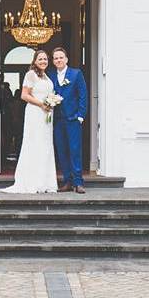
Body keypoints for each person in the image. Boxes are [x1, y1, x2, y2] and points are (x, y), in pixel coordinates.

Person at [0, 50, 57, 193]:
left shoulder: (45, 76)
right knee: (34, 144)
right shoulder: (31, 74)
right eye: (40, 59)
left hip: (46, 115)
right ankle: (32, 181)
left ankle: (45, 181)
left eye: (45, 59)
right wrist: (41, 104)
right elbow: (24, 96)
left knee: (45, 145)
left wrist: (51, 102)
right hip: (35, 113)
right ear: (35, 61)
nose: (43, 61)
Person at [47, 47, 88, 194]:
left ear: (66, 59)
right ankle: (67, 181)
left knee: (75, 150)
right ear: (53, 61)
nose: (58, 60)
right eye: (56, 58)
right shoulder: (50, 75)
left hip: (73, 119)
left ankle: (78, 182)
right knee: (62, 151)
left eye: (61, 57)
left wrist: (80, 116)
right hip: (57, 120)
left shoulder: (76, 74)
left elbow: (83, 95)